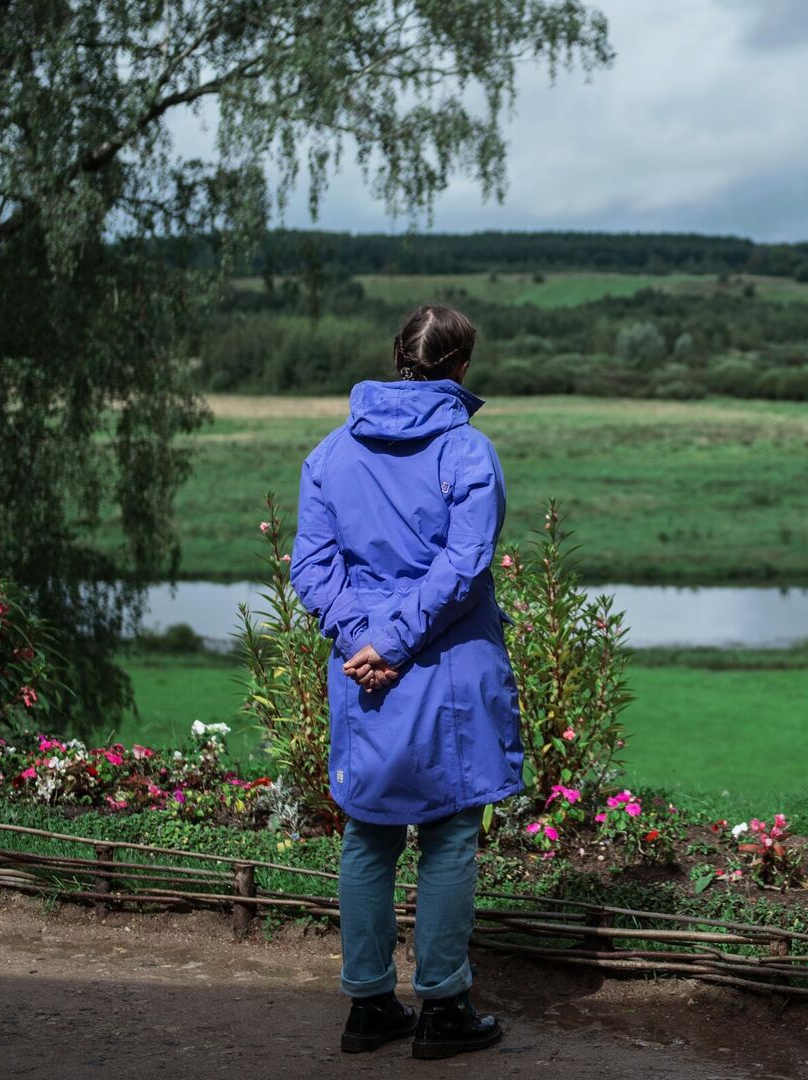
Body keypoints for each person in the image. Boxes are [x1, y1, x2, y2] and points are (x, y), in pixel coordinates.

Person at [288, 303, 523, 1060]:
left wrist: (364, 641)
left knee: (370, 829)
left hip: (365, 674)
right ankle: (444, 1005)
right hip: (445, 663)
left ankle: (367, 1008)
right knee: (451, 830)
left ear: (398, 359)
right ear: (461, 368)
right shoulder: (467, 451)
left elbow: (312, 569)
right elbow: (464, 567)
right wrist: (394, 639)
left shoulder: (329, 454)